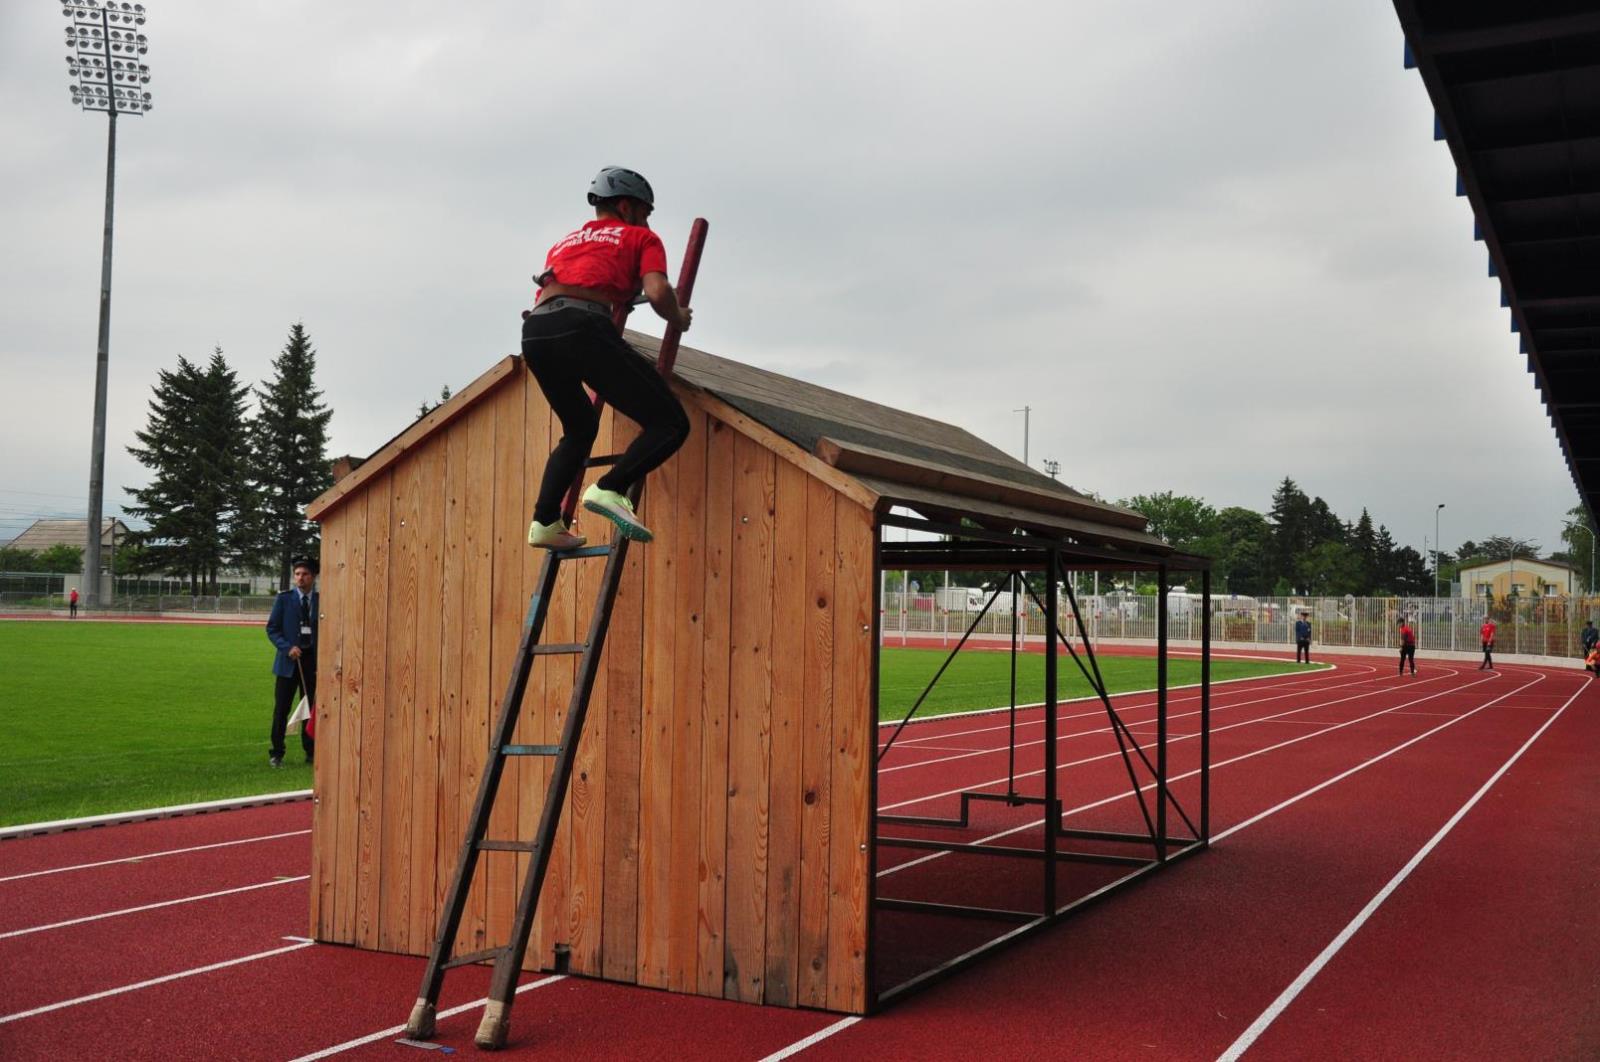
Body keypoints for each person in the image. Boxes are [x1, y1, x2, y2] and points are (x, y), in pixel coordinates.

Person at [521, 166, 694, 550]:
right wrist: (678, 316)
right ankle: (610, 488)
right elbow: (657, 291)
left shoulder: (565, 243)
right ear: (626, 206)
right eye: (646, 211)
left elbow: (592, 278)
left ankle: (545, 521)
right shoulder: (641, 237)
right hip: (582, 327)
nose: (648, 219)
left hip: (537, 331)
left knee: (580, 428)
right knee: (670, 422)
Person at [266, 557, 318, 768]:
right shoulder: (284, 599)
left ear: (313, 577)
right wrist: (288, 647)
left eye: (305, 574)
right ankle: (277, 752)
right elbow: (272, 628)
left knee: (312, 708)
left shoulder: (322, 600)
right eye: (297, 574)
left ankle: (312, 751)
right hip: (289, 662)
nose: (300, 578)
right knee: (282, 709)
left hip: (312, 663)